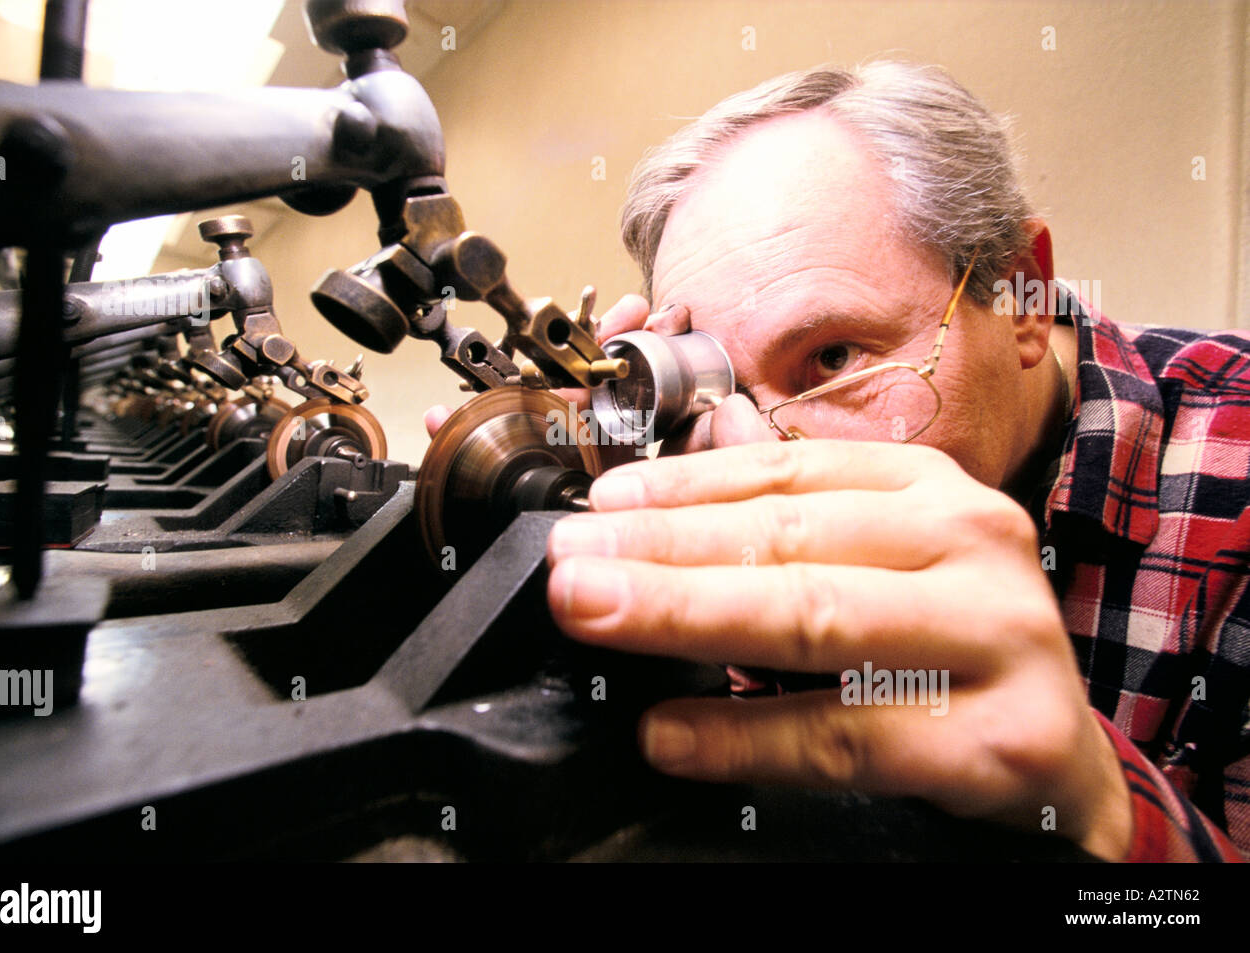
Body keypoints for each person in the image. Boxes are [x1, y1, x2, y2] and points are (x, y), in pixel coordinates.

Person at [426, 61, 1248, 861]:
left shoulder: (1233, 473)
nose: (754, 449)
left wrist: (1107, 812)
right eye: (715, 391)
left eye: (831, 359)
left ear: (1017, 296)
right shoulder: (710, 453)